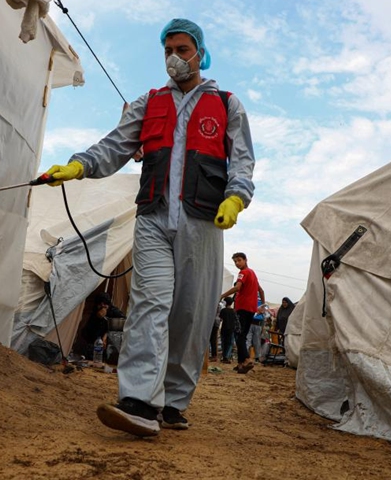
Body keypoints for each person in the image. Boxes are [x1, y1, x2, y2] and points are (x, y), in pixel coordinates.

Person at [40, 18, 255, 437]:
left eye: (182, 49)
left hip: (203, 220)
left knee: (190, 315)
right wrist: (80, 164)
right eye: (168, 50)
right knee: (148, 305)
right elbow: (115, 145)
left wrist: (236, 197)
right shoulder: (149, 102)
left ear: (200, 52)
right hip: (153, 218)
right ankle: (138, 401)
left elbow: (243, 160)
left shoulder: (228, 104)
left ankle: (174, 400)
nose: (174, 57)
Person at [221, 252, 264, 374]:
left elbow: (237, 287)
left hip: (242, 308)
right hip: (251, 309)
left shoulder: (243, 273)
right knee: (243, 335)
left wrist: (222, 295)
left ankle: (246, 359)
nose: (237, 263)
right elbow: (261, 290)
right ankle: (240, 364)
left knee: (239, 335)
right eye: (235, 261)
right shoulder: (253, 274)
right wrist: (262, 306)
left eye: (239, 260)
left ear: (245, 260)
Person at [218, 297, 238, 363]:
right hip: (231, 329)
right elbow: (236, 320)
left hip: (224, 328)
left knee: (223, 343)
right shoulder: (234, 311)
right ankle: (227, 356)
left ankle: (224, 356)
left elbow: (220, 319)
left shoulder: (223, 310)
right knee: (230, 343)